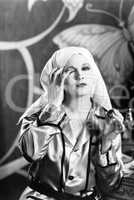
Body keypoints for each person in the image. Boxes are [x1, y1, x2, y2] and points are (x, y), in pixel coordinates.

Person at [17, 47, 124, 200]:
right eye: (70, 71)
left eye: (85, 68)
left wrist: (107, 142)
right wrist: (52, 106)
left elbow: (111, 185)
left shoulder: (108, 121)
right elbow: (31, 153)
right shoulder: (37, 115)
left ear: (94, 75)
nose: (80, 75)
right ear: (56, 79)